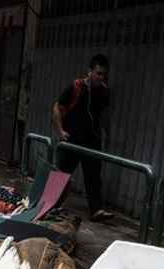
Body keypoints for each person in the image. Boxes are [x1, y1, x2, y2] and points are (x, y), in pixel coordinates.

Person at [52, 54, 114, 222]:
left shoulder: (104, 91)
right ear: (90, 71)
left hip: (92, 140)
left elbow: (105, 115)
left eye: (103, 74)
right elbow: (57, 107)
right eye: (98, 73)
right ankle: (51, 205)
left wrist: (106, 134)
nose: (101, 77)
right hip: (72, 140)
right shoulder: (76, 87)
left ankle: (96, 210)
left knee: (94, 176)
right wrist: (61, 131)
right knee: (62, 175)